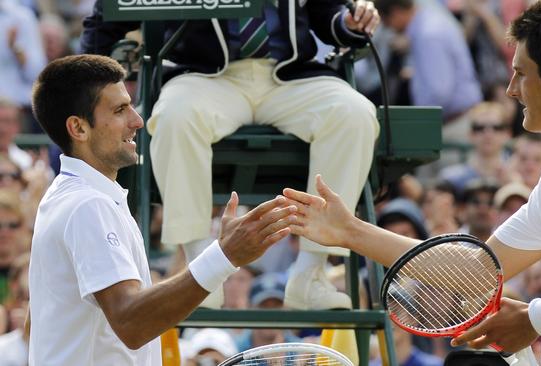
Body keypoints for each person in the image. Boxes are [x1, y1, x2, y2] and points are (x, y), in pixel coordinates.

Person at [283, 1, 541, 365]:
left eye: (521, 73)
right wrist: (351, 231)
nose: (510, 89)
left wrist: (533, 319)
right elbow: (476, 271)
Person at [81, 0, 381, 311]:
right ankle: (198, 272)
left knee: (354, 113)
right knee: (176, 114)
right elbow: (107, 16)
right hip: (206, 76)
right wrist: (81, 83)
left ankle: (311, 273)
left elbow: (326, 14)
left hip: (289, 75)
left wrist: (349, 21)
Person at [28, 54, 297, 365]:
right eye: (119, 110)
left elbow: (39, 320)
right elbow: (131, 321)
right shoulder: (88, 205)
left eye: (130, 105)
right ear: (78, 128)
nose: (137, 120)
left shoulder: (65, 197)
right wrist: (224, 256)